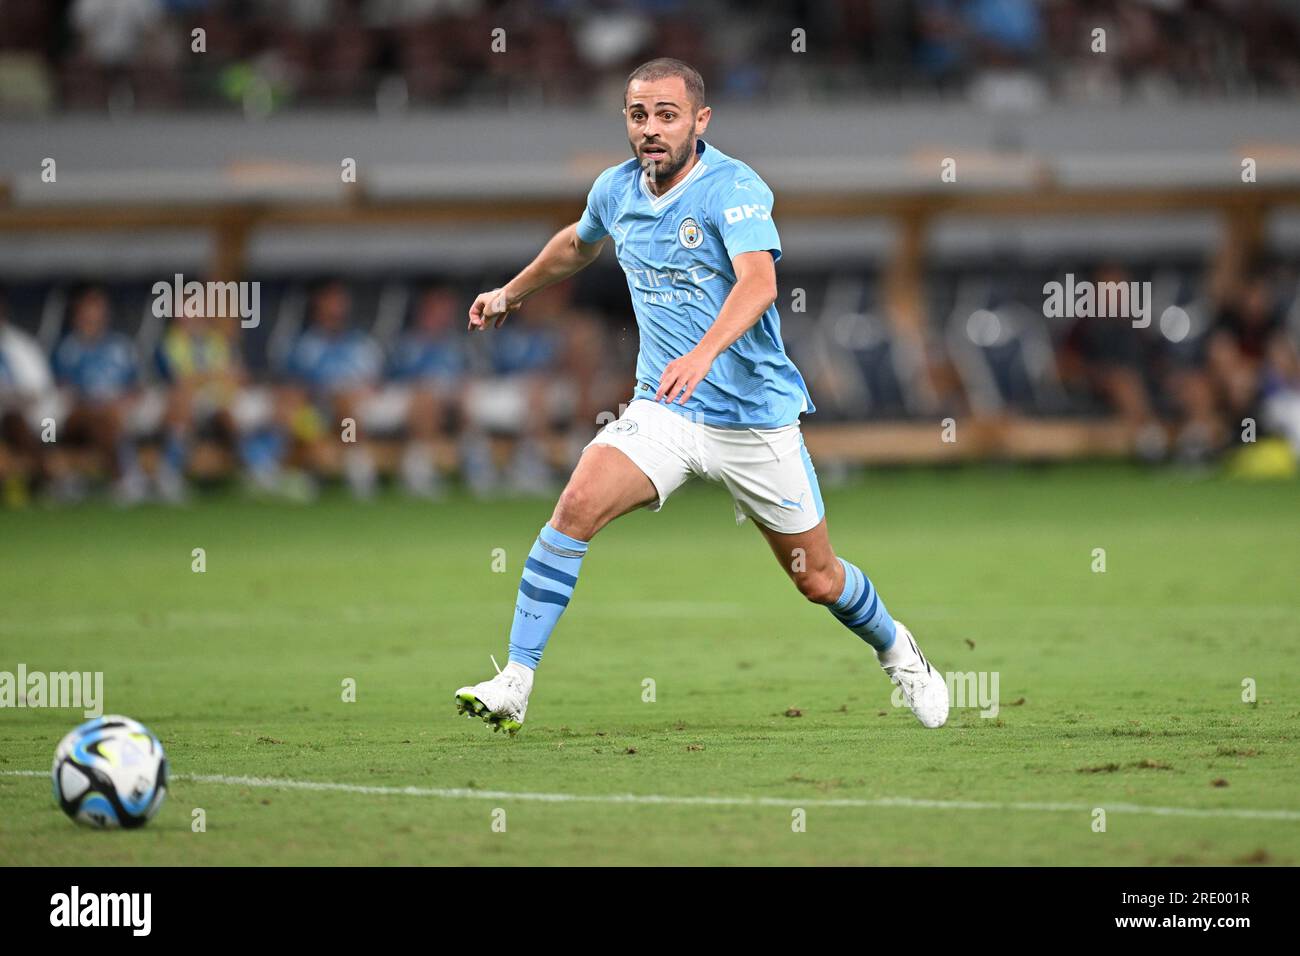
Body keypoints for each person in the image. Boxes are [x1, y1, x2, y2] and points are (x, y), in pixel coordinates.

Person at [454, 58, 948, 735]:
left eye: (666, 115)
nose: (651, 129)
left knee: (819, 580)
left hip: (753, 420)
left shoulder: (733, 188)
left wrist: (703, 351)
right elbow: (578, 243)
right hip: (665, 409)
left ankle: (898, 650)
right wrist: (510, 292)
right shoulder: (615, 190)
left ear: (699, 121)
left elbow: (758, 285)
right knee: (573, 508)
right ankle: (515, 680)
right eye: (638, 115)